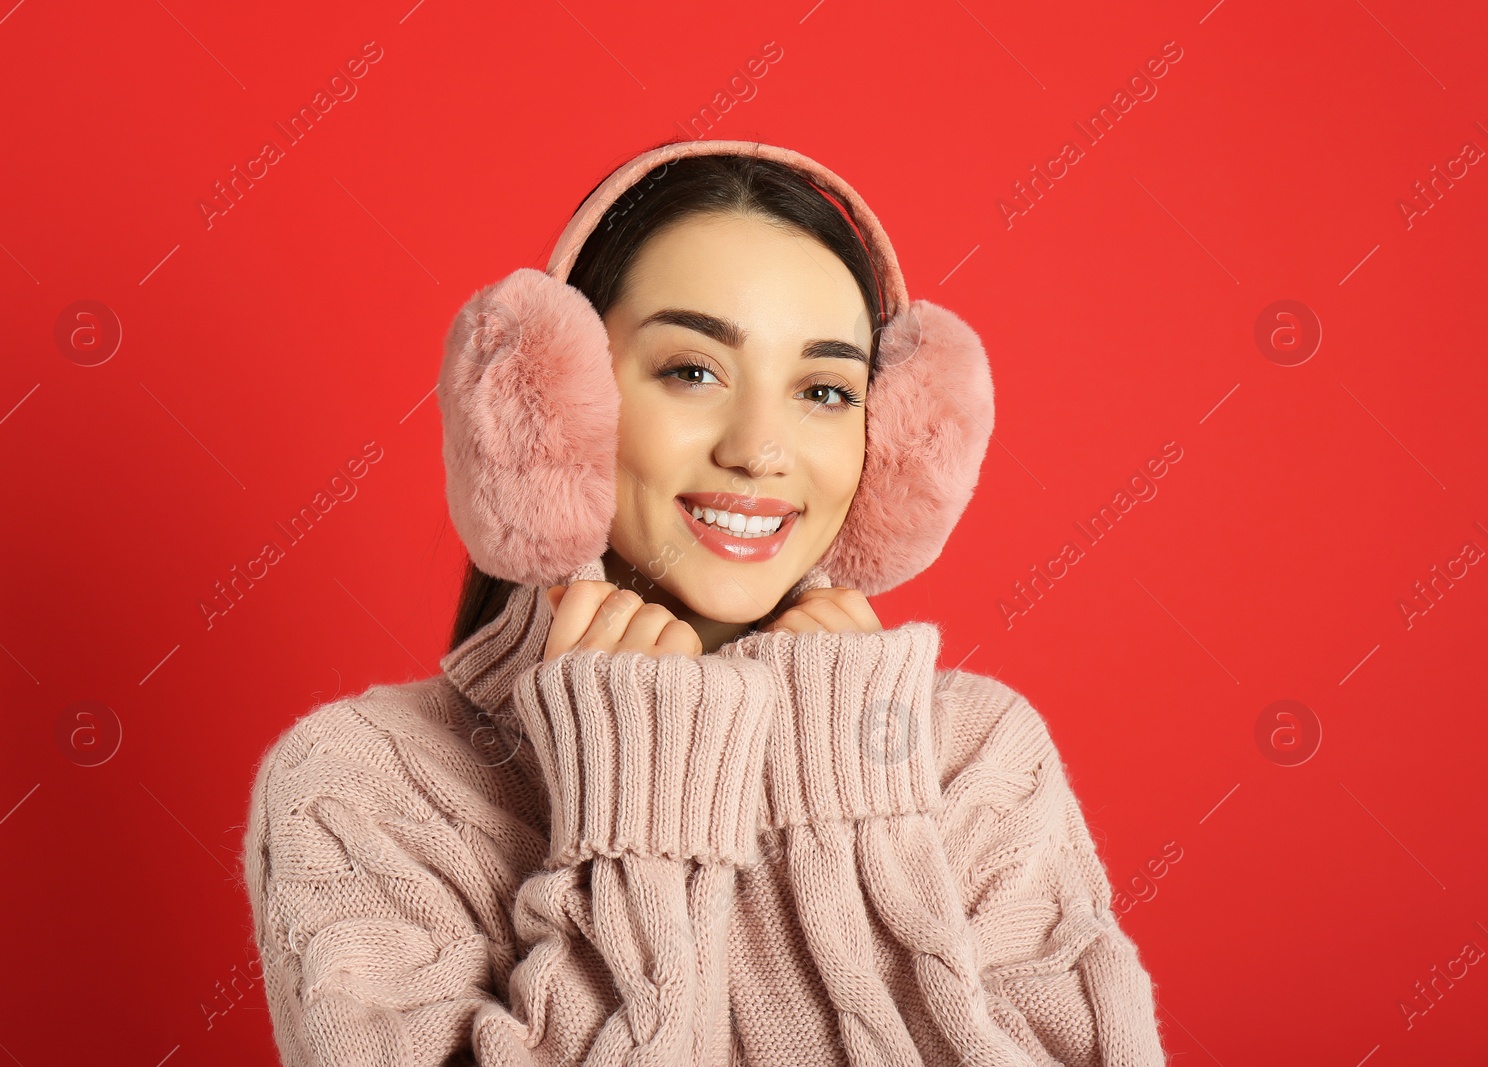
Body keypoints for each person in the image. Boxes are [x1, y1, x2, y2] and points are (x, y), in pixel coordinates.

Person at [241, 139, 1169, 1066]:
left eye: (824, 389)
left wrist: (852, 814)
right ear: (553, 405)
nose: (761, 448)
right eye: (693, 370)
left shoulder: (977, 760)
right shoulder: (357, 789)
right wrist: (637, 815)